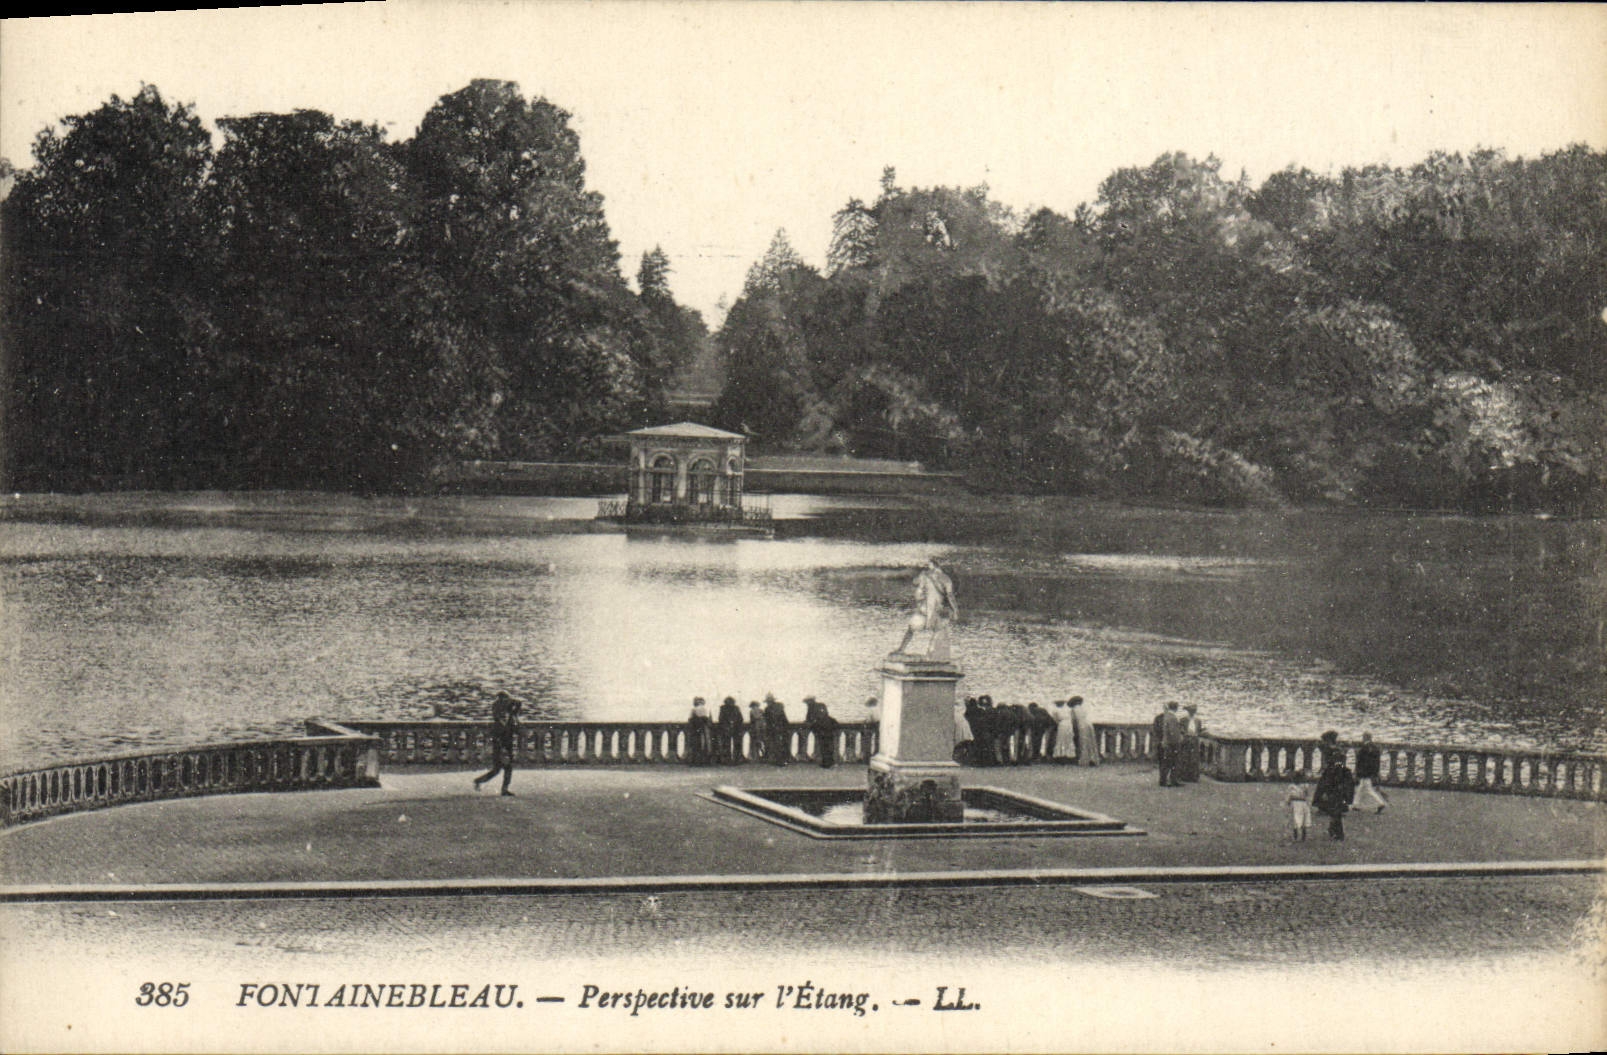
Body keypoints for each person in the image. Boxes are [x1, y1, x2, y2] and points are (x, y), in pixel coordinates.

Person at [472, 691, 522, 796]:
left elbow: (518, 704)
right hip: (500, 748)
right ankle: (503, 789)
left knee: (499, 769)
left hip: (505, 747)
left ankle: (480, 781)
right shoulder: (499, 724)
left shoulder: (506, 721)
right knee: (504, 768)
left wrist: (510, 703)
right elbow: (497, 738)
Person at [1313, 750, 1357, 840]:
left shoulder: (1330, 770)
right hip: (1339, 796)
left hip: (1333, 795)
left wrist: (1322, 794)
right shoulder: (1345, 771)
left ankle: (1337, 832)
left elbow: (1323, 784)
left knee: (1335, 814)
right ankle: (1335, 831)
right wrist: (1348, 798)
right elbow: (1350, 786)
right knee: (1336, 814)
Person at [1353, 732, 1390, 814]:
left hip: (1364, 771)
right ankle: (1355, 804)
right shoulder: (1375, 748)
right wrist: (1375, 772)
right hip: (1370, 771)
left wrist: (1358, 772)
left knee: (1368, 789)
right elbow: (1376, 761)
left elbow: (1360, 762)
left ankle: (1380, 803)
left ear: (1365, 738)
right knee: (1361, 787)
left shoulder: (1364, 748)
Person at [805, 697, 840, 768]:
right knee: (829, 746)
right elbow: (826, 714)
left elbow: (809, 719)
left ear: (809, 702)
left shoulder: (811, 707)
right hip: (829, 727)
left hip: (821, 729)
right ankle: (830, 762)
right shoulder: (822, 705)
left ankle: (826, 763)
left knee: (823, 746)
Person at [1157, 701, 1183, 787]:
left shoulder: (1167, 716)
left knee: (1167, 762)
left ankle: (1163, 780)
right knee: (1174, 762)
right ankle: (1172, 780)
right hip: (1172, 743)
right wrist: (1178, 740)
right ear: (1176, 708)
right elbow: (1173, 732)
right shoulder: (1173, 718)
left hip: (1167, 742)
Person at [1070, 696, 1101, 767]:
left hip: (1081, 726)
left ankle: (1084, 760)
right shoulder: (1083, 708)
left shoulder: (1073, 710)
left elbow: (1074, 720)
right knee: (1091, 742)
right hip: (1089, 724)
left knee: (1083, 742)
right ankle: (1093, 759)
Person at [1178, 703, 1204, 782]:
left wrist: (1198, 733)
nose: (1192, 712)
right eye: (1191, 711)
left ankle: (1193, 776)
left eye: (1193, 711)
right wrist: (1185, 734)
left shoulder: (1198, 720)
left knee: (1194, 758)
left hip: (1195, 740)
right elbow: (1180, 729)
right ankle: (1184, 776)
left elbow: (1199, 730)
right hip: (1186, 739)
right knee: (1185, 757)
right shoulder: (1183, 720)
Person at [717, 696, 745, 765]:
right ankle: (736, 760)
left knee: (727, 744)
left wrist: (727, 724)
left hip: (727, 728)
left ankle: (728, 760)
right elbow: (741, 718)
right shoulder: (736, 708)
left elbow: (720, 719)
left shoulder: (723, 708)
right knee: (736, 744)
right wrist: (735, 723)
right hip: (735, 728)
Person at [1284, 773, 1312, 841]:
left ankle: (1302, 836)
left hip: (1302, 804)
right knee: (1295, 820)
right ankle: (1296, 836)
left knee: (1303, 820)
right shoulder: (1292, 787)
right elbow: (1289, 795)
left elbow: (1307, 795)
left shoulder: (1304, 786)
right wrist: (1288, 801)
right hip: (1295, 804)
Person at [764, 694, 791, 765]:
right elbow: (784, 718)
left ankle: (779, 760)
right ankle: (785, 760)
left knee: (776, 745)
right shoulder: (779, 707)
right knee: (783, 744)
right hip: (782, 728)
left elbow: (767, 720)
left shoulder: (767, 709)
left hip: (773, 729)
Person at [686, 697, 713, 766]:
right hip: (705, 728)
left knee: (696, 744)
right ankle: (707, 760)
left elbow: (690, 719)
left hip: (696, 728)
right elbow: (710, 720)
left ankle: (696, 761)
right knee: (706, 744)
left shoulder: (694, 709)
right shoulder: (707, 709)